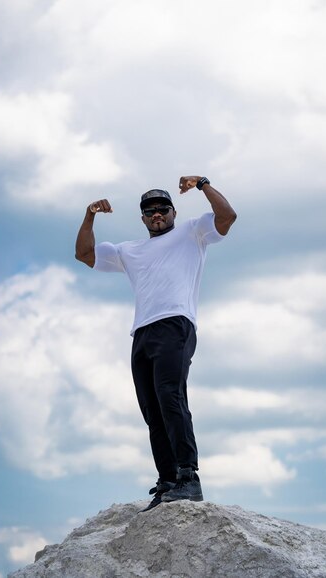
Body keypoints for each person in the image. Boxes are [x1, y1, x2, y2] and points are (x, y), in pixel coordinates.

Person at [75, 175, 237, 511]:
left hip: (175, 322)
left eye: (163, 208)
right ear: (143, 218)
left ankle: (188, 477)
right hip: (142, 332)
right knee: (151, 407)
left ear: (173, 212)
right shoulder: (129, 250)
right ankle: (167, 482)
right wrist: (89, 214)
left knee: (170, 395)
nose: (157, 214)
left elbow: (227, 217)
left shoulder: (192, 232)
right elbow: (84, 254)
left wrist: (203, 184)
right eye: (150, 211)